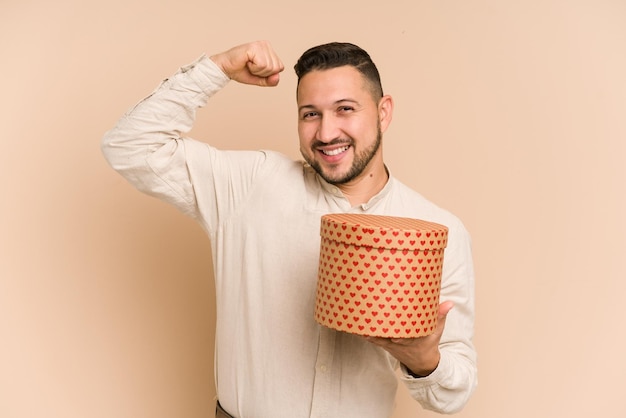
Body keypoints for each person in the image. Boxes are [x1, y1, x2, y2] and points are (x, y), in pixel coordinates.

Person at [102, 40, 477, 418]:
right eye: (310, 114)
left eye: (344, 109)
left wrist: (425, 362)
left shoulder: (439, 233)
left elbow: (453, 393)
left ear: (383, 112)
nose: (327, 133)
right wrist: (217, 69)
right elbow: (129, 146)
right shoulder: (248, 186)